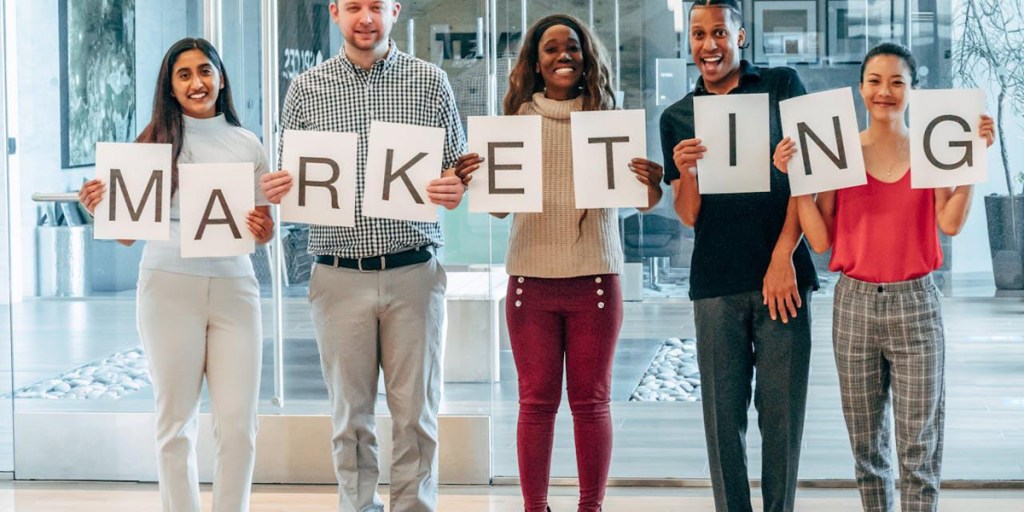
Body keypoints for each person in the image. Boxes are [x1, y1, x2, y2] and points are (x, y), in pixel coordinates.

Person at [258, 1, 467, 510]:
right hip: (338, 275)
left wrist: (455, 189)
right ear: (334, 12)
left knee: (415, 415)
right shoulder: (305, 88)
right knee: (349, 418)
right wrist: (279, 187)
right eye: (353, 6)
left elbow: (457, 172)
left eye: (376, 5)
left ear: (395, 10)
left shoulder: (431, 83)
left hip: (413, 270)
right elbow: (296, 177)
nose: (365, 17)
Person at [773, 42, 995, 512]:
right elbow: (819, 240)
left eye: (897, 82)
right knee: (867, 449)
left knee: (919, 448)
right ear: (860, 88)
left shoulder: (933, 148)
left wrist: (973, 165)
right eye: (875, 81)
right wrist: (798, 180)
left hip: (916, 303)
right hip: (854, 305)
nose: (885, 91)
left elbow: (950, 223)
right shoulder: (838, 152)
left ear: (912, 90)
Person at [455, 14, 663, 512]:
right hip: (531, 281)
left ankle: (590, 507)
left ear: (587, 58)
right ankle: (535, 507)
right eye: (551, 48)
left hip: (595, 278)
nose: (563, 55)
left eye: (572, 47)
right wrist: (471, 179)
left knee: (591, 404)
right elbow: (500, 205)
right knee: (536, 404)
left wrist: (652, 182)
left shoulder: (609, 119)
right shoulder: (515, 123)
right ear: (535, 62)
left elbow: (645, 202)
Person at [78, 37, 274, 512]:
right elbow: (126, 237)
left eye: (205, 71)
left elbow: (264, 228)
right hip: (167, 288)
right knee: (174, 425)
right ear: (170, 86)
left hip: (235, 290)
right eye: (183, 74)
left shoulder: (248, 144)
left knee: (238, 426)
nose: (196, 82)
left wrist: (263, 227)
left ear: (221, 78)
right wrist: (95, 208)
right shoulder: (150, 145)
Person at [658, 1, 819, 511]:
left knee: (781, 419)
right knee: (723, 422)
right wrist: (687, 174)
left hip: (784, 278)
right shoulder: (676, 116)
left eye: (720, 33)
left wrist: (782, 257)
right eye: (699, 34)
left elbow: (809, 177)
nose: (710, 44)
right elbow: (688, 215)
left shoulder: (781, 86)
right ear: (689, 42)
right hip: (716, 282)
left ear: (741, 37)